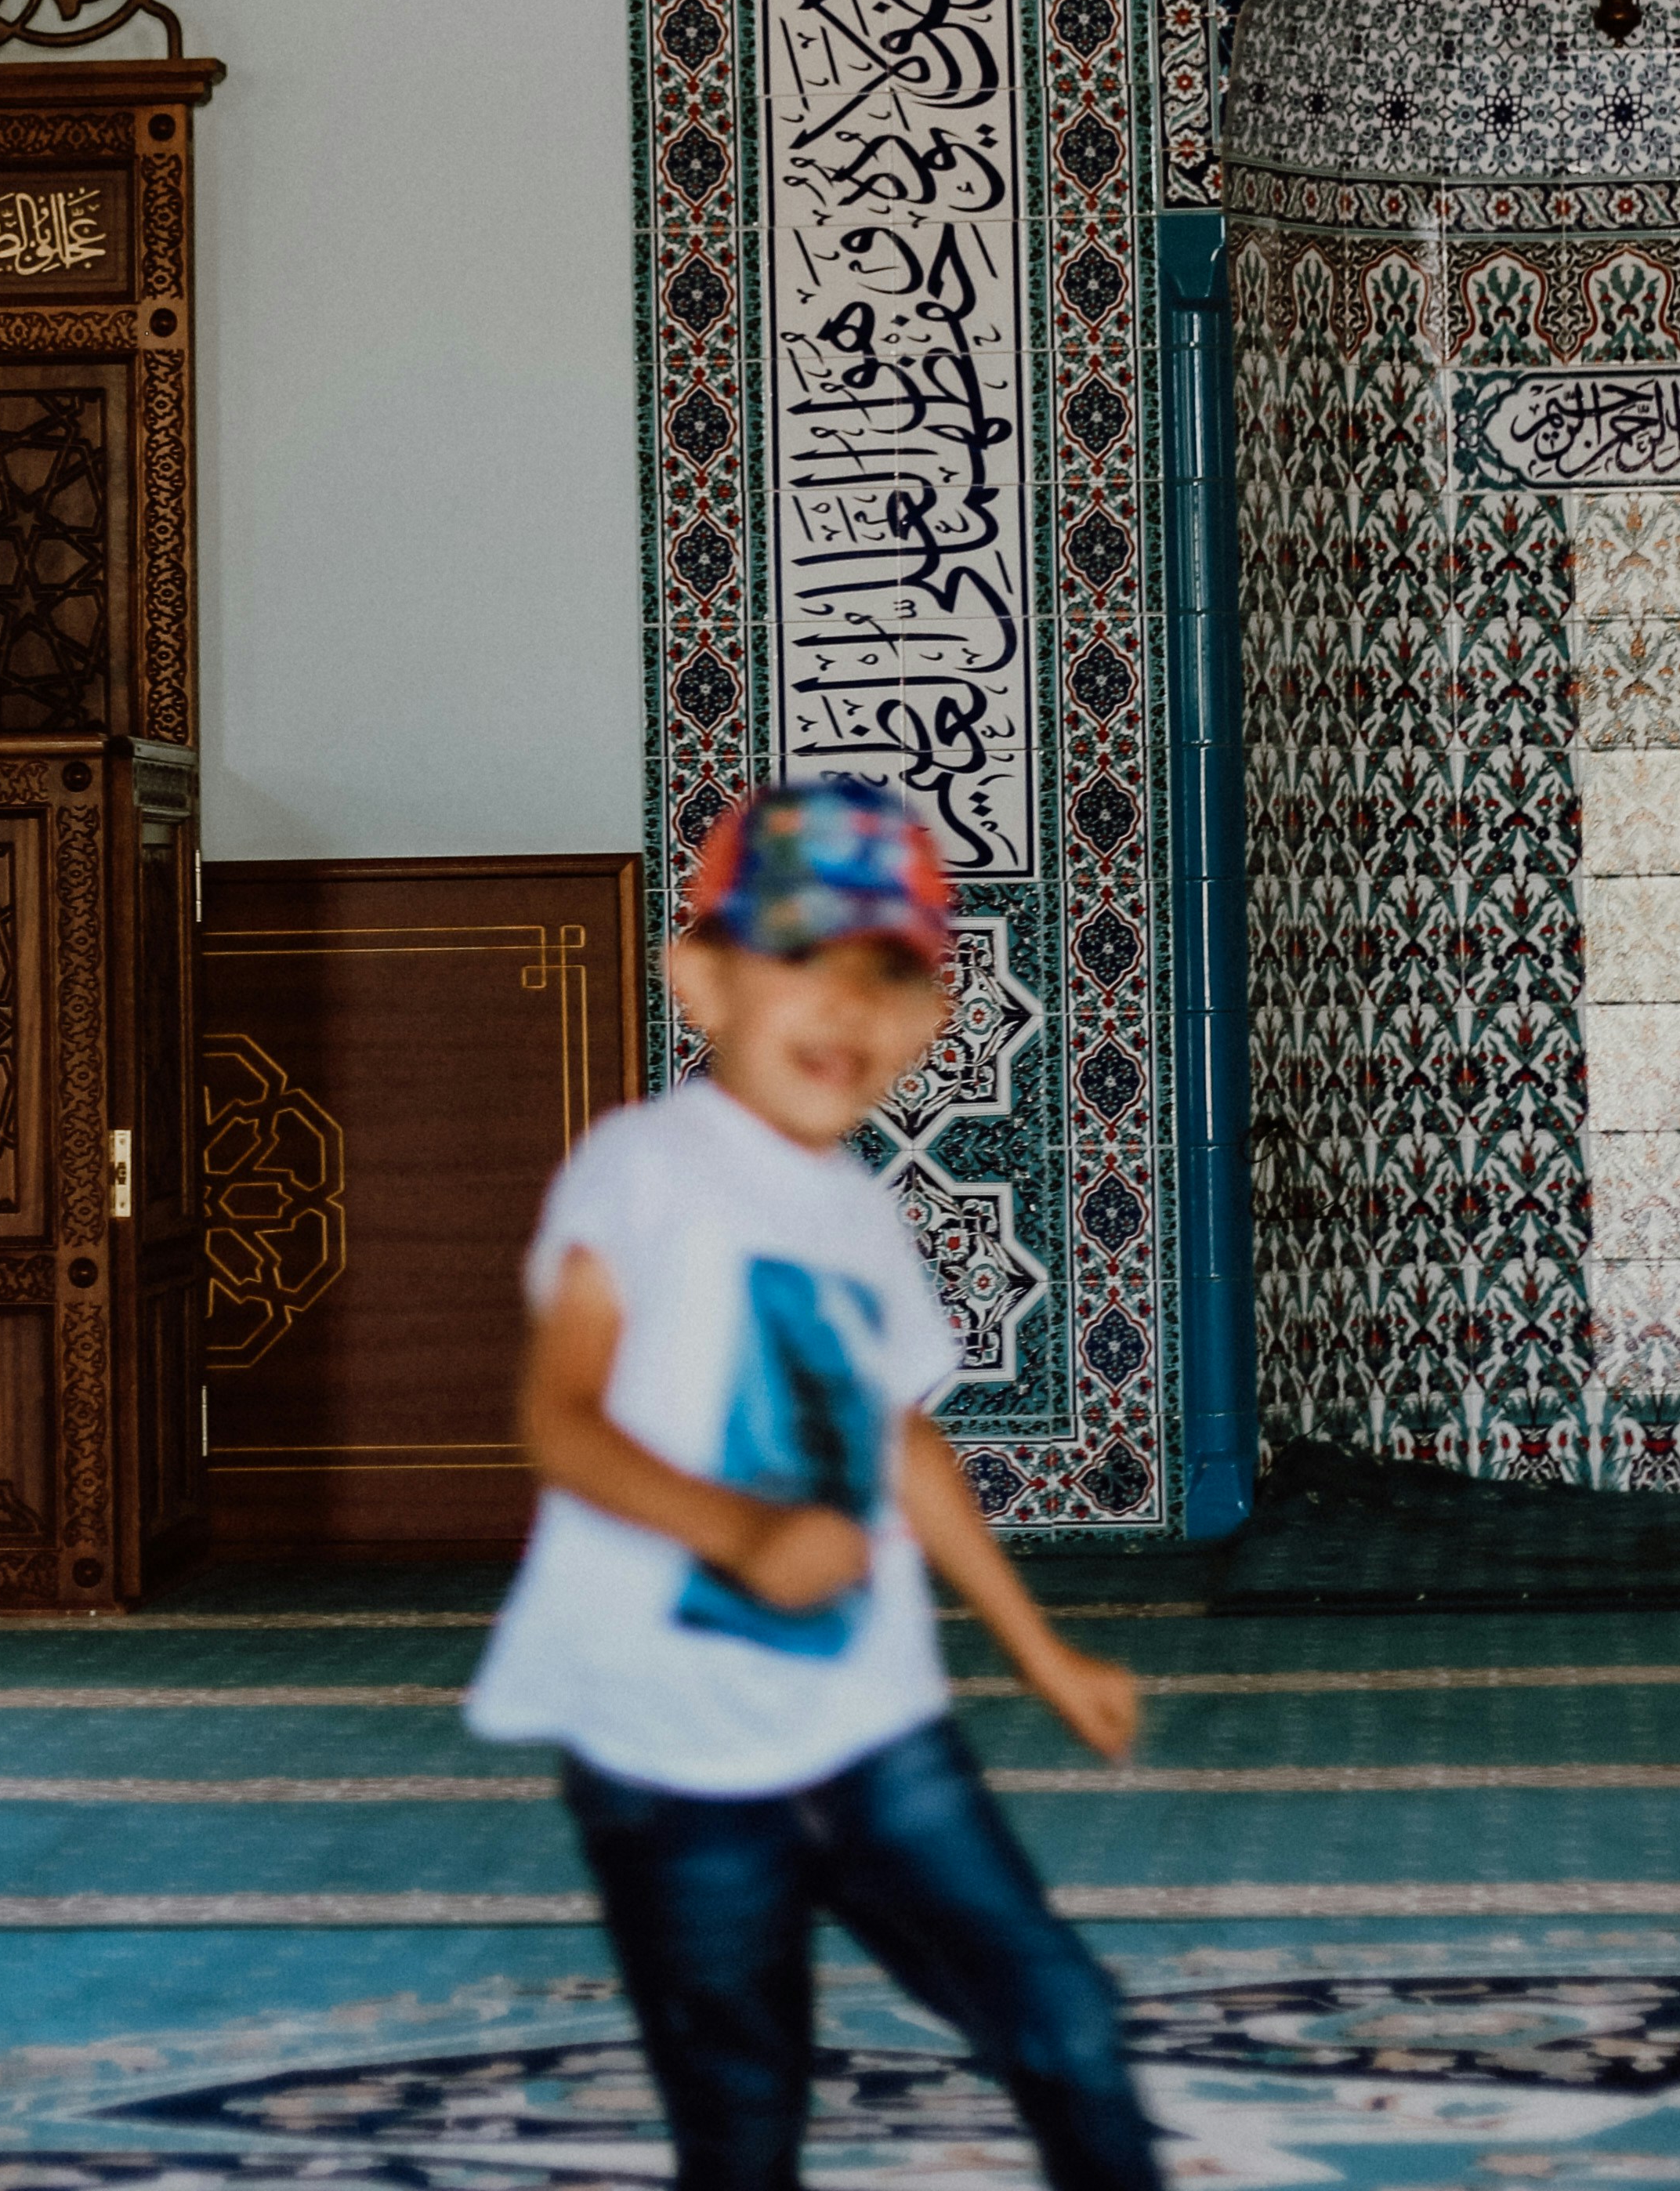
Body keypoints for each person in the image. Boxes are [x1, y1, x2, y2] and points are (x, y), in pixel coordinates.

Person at [466, 773, 1162, 2191]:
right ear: (701, 978)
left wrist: (1039, 1653)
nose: (842, 1011)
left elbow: (904, 1440)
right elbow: (562, 1420)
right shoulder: (642, 1168)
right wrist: (741, 1532)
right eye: (800, 962)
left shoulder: (860, 1214)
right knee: (744, 2119)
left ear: (925, 1022)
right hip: (673, 1752)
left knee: (1064, 2023)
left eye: (884, 979)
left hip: (871, 1719)